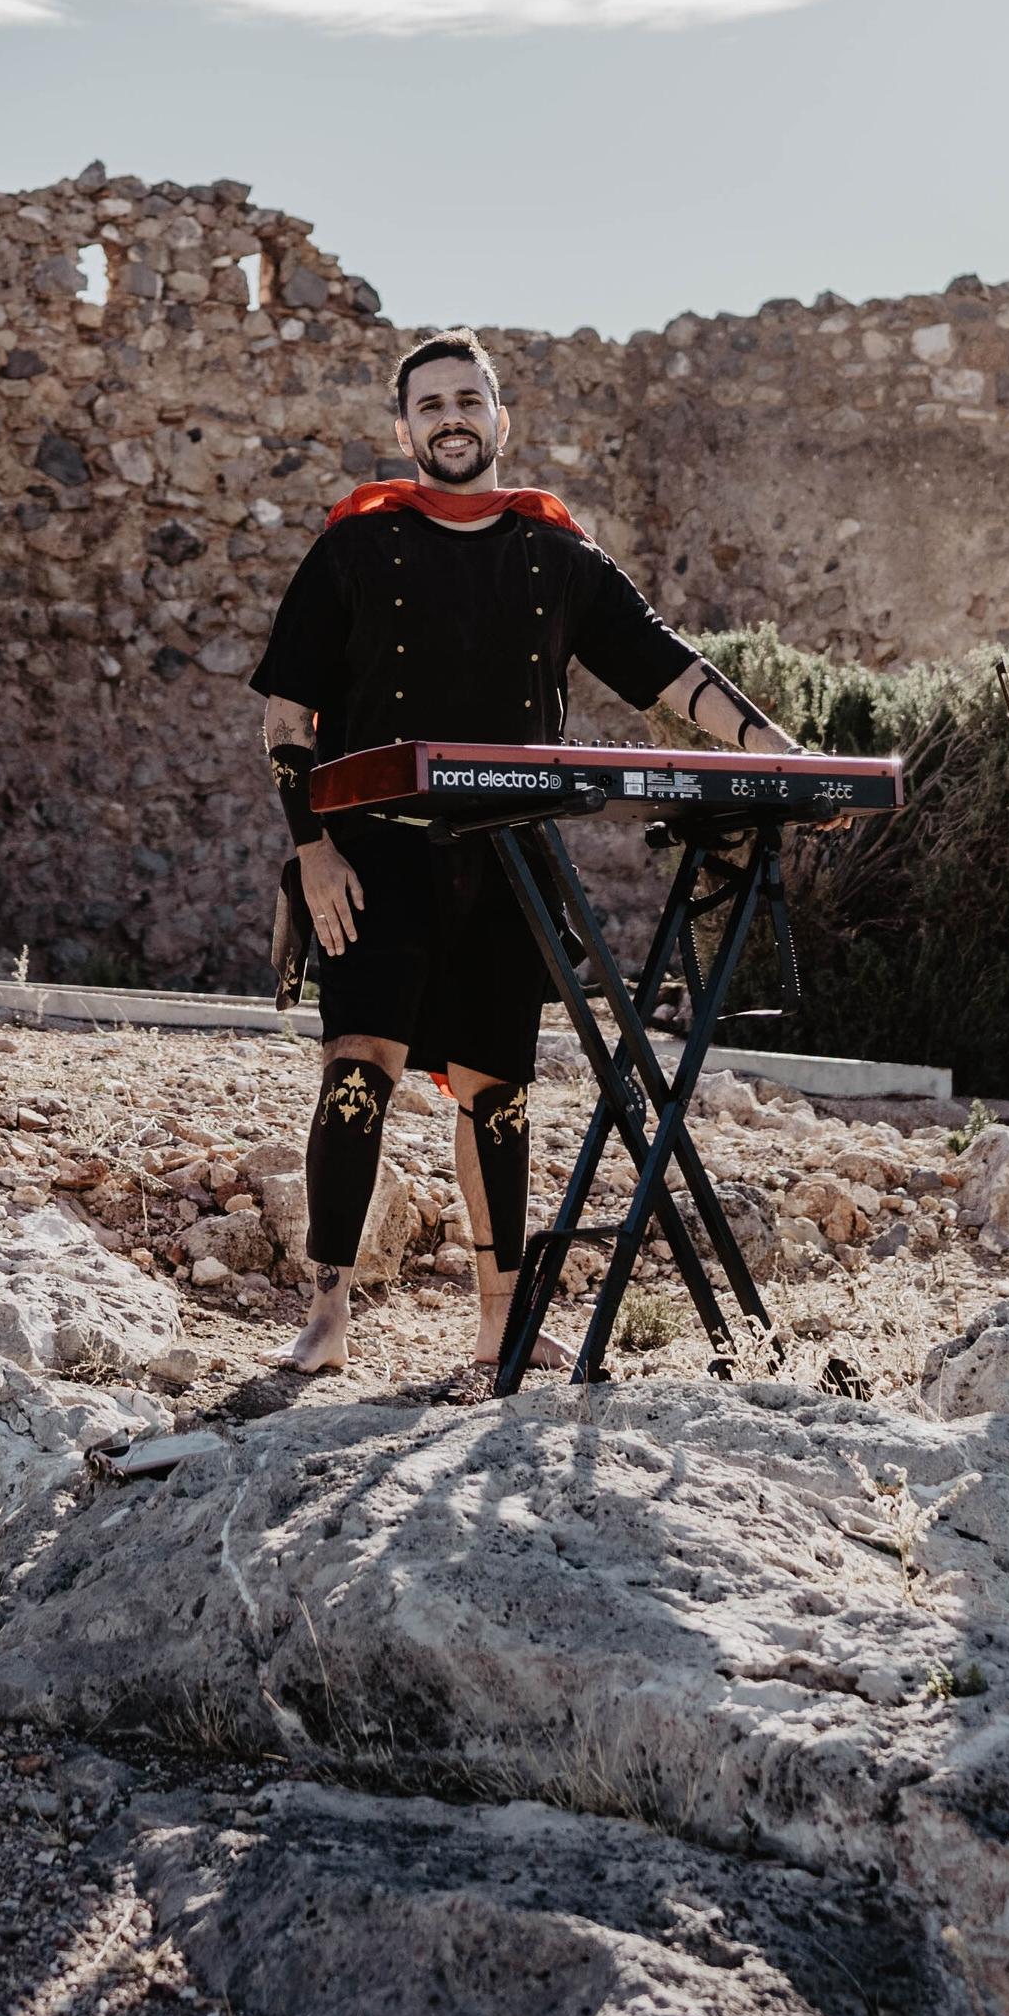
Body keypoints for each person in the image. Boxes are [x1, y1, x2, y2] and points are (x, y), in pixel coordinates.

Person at [251, 329, 807, 1377]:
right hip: (374, 854)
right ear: (404, 426)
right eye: (431, 404)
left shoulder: (558, 554)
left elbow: (668, 671)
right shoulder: (355, 546)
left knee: (495, 1087)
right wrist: (312, 852)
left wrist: (780, 755)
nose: (451, 418)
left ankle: (503, 1320)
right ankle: (326, 1318)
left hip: (508, 862)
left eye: (470, 400)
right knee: (354, 1069)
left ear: (501, 420)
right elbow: (288, 715)